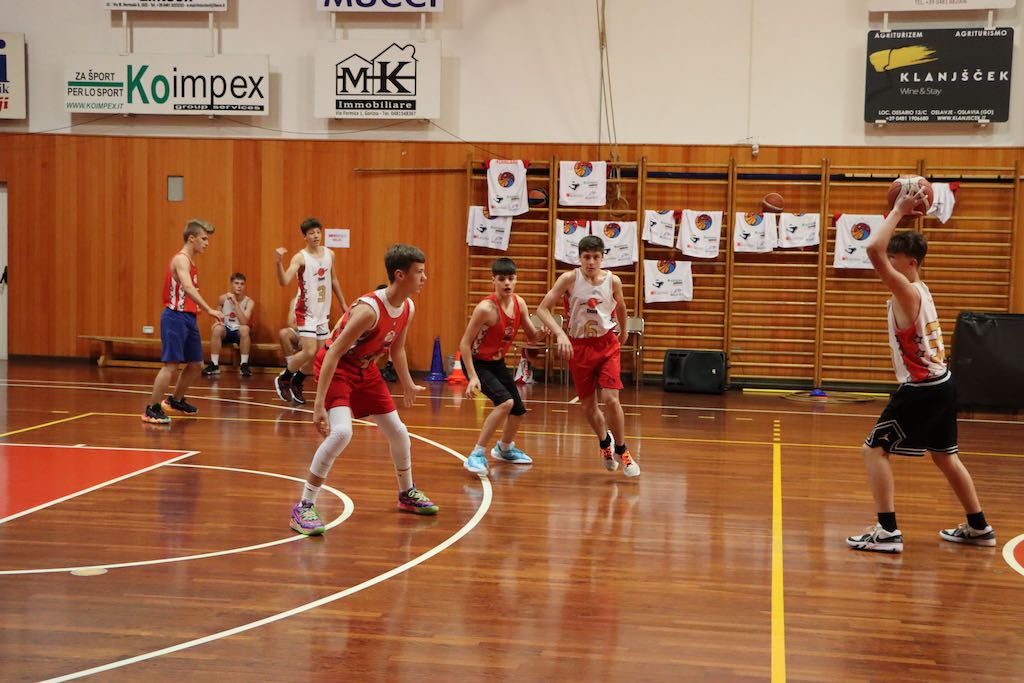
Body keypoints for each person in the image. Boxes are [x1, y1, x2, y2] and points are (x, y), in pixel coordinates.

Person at [846, 183, 995, 553]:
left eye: (894, 258)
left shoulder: (907, 291)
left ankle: (887, 532)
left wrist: (898, 210)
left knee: (872, 451)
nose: (887, 262)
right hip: (942, 383)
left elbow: (872, 249)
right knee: (945, 456)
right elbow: (881, 250)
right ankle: (979, 527)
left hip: (922, 389)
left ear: (909, 262)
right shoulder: (922, 288)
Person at [289, 244, 437, 536]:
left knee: (399, 432)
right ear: (400, 275)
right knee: (342, 433)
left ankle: (406, 493)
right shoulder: (369, 311)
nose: (424, 278)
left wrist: (407, 383)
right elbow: (332, 353)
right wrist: (318, 405)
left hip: (366, 371)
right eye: (419, 272)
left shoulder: (407, 307)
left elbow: (397, 348)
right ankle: (304, 505)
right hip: (338, 369)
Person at [535, 235, 640, 477]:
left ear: (602, 258)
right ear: (580, 258)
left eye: (595, 257)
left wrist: (624, 331)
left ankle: (622, 450)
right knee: (588, 406)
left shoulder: (613, 281)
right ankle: (605, 442)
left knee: (611, 399)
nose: (591, 262)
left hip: (606, 344)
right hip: (578, 346)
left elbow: (621, 306)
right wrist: (560, 334)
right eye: (586, 257)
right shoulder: (569, 279)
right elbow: (542, 309)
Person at [458, 257, 546, 475]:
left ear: (516, 280)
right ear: (493, 281)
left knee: (517, 410)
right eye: (502, 279)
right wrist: (473, 376)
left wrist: (543, 332)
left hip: (496, 362)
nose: (507, 283)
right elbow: (465, 343)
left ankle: (504, 449)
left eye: (511, 278)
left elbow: (532, 337)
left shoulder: (519, 304)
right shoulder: (485, 309)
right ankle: (477, 453)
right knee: (505, 402)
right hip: (476, 362)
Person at [142, 219, 224, 424]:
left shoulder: (190, 261)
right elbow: (187, 287)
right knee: (171, 366)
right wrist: (209, 309)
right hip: (174, 317)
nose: (207, 243)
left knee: (196, 365)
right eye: (204, 239)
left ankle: (175, 400)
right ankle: (151, 408)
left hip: (188, 317)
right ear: (191, 238)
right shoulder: (181, 259)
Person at [273, 218, 346, 405]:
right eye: (311, 233)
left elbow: (334, 279)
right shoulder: (300, 258)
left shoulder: (329, 254)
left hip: (322, 312)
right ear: (304, 237)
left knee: (320, 356)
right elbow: (284, 281)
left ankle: (297, 381)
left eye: (318, 232)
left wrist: (343, 303)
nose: (315, 236)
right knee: (309, 351)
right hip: (306, 311)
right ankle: (284, 378)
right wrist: (278, 263)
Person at [202, 272, 255, 377]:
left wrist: (235, 304)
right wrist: (217, 323)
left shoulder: (249, 302)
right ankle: (214, 364)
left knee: (245, 328)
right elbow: (218, 315)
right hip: (226, 330)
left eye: (242, 284)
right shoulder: (222, 298)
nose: (239, 286)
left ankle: (244, 364)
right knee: (217, 329)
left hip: (239, 332)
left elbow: (244, 322)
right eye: (236, 283)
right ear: (231, 284)